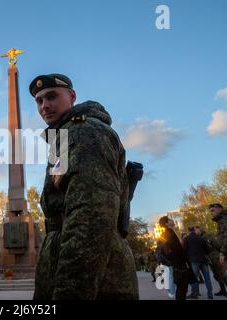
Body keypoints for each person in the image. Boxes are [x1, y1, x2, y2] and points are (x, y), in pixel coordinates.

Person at [29, 73, 138, 299]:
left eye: (51, 97)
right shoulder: (66, 136)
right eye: (39, 101)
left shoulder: (85, 132)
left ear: (72, 96)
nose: (44, 106)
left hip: (97, 281)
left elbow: (90, 218)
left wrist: (70, 291)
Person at [159, 216, 196, 300]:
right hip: (179, 264)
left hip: (178, 263)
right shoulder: (168, 233)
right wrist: (176, 260)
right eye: (170, 220)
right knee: (182, 286)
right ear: (166, 223)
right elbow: (166, 250)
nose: (172, 221)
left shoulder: (168, 232)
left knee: (182, 286)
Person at [209, 203, 227, 294]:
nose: (211, 213)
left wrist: (223, 253)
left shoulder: (226, 220)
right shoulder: (222, 221)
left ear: (219, 209)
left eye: (212, 210)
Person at [201, 228, 227, 296]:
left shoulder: (207, 236)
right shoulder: (204, 237)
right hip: (212, 257)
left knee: (222, 273)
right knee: (217, 274)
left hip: (215, 257)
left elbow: (214, 246)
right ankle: (223, 290)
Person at [183, 226, 213, 299]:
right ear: (194, 230)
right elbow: (207, 249)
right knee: (207, 278)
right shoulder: (201, 238)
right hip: (203, 260)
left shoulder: (186, 239)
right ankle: (210, 294)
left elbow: (185, 250)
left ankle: (195, 294)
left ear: (189, 231)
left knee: (194, 278)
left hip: (193, 261)